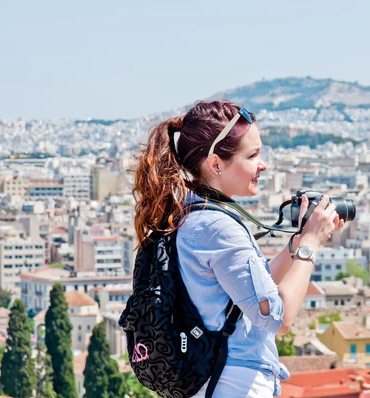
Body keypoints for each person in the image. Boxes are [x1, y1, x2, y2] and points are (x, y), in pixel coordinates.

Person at [131, 100, 344, 397]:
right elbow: (277, 318)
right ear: (216, 163)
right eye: (253, 155)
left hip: (216, 379)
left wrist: (295, 246)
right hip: (234, 383)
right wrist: (311, 245)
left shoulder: (193, 217)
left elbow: (248, 296)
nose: (263, 164)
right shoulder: (219, 228)